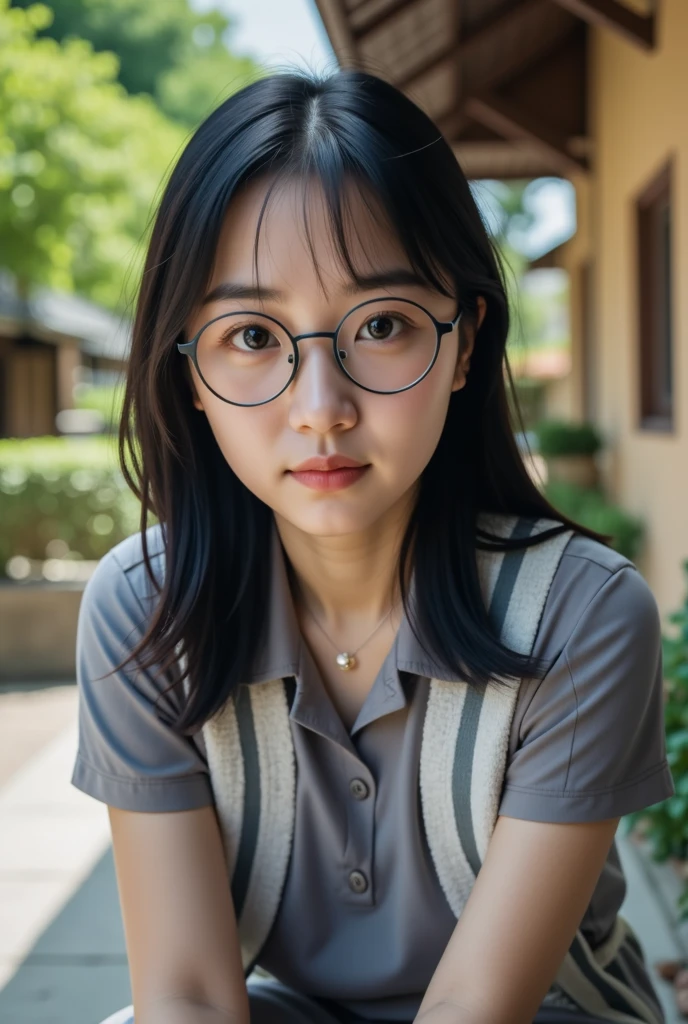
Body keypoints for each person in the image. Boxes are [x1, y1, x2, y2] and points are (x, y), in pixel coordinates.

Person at [72, 68, 675, 1024]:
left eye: (383, 325)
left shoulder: (581, 616)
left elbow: (480, 1007)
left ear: (466, 341)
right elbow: (187, 993)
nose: (322, 411)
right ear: (186, 369)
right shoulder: (146, 616)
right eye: (252, 336)